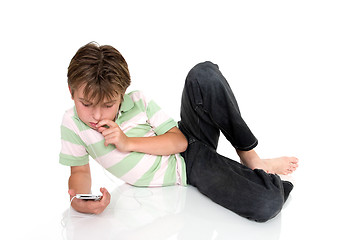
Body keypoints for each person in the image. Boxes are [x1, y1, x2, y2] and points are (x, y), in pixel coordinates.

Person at [60, 42, 299, 222]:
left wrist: (127, 142)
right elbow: (79, 170)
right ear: (72, 92)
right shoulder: (73, 124)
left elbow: (180, 141)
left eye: (108, 105)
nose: (97, 115)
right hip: (186, 169)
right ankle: (264, 177)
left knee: (203, 73)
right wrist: (80, 200)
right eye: (87, 104)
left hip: (186, 146)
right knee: (268, 202)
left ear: (121, 95)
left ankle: (250, 156)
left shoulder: (138, 101)